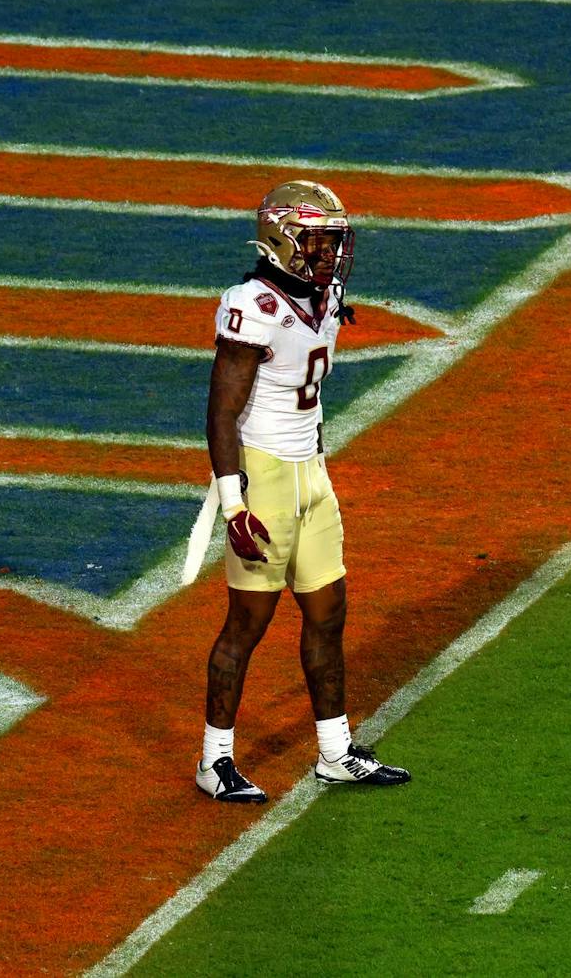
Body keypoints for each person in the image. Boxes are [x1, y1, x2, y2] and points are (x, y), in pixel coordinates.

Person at [195, 179, 411, 804]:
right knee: (247, 623)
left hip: (311, 472)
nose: (329, 254)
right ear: (279, 240)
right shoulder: (252, 305)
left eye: (333, 242)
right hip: (262, 476)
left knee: (328, 611)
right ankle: (215, 761)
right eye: (317, 240)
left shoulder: (326, 294)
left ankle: (336, 752)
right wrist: (233, 503)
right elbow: (221, 413)